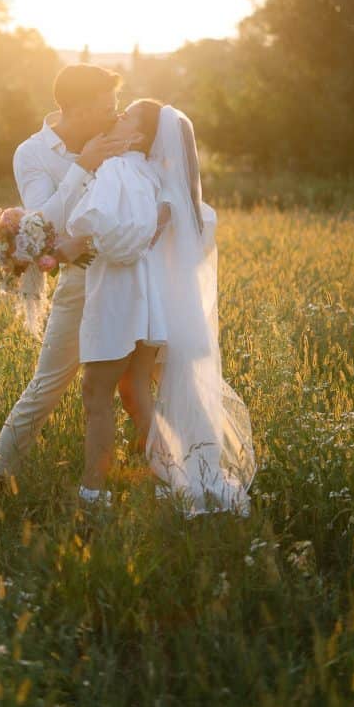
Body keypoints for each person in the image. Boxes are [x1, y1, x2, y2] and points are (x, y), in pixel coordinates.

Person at [66, 100, 257, 516]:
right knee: (135, 388)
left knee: (100, 392)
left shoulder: (123, 170)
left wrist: (66, 245)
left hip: (124, 295)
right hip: (156, 305)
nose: (116, 117)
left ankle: (94, 495)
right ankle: (174, 476)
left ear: (138, 136)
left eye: (126, 116)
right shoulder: (161, 178)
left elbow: (107, 232)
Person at [0, 64, 147, 480]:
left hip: (134, 275)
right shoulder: (32, 154)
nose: (113, 115)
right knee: (47, 387)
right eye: (104, 107)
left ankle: (163, 478)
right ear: (74, 109)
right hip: (82, 282)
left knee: (143, 388)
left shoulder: (119, 135)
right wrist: (84, 166)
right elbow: (45, 225)